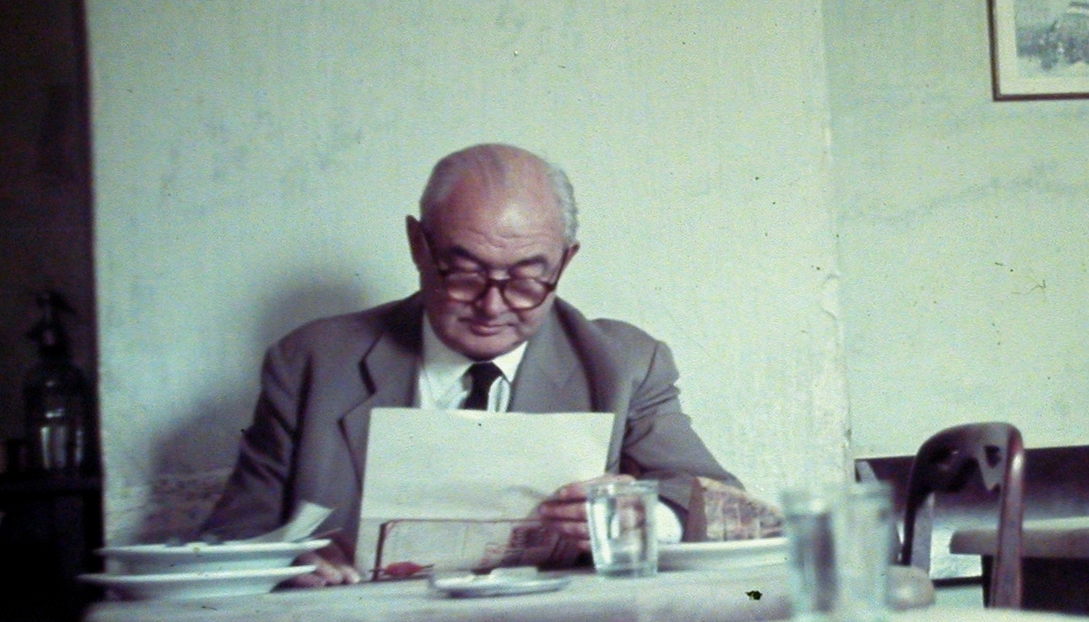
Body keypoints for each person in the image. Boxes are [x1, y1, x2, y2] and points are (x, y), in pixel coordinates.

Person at [203, 143, 737, 584]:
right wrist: (285, 562)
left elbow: (721, 506)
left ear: (566, 260)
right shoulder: (312, 363)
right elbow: (229, 544)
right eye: (463, 274)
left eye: (527, 280)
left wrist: (640, 520)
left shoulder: (624, 363)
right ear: (418, 245)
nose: (492, 306)